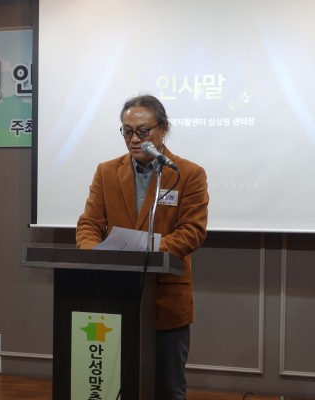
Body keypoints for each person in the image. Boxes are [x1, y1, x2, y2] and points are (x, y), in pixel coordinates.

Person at [76, 94, 209, 400]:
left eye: (143, 131)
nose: (134, 139)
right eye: (127, 131)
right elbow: (89, 224)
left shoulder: (187, 174)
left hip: (165, 301)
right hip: (114, 298)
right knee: (116, 386)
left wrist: (147, 250)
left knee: (167, 390)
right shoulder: (106, 171)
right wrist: (94, 255)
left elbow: (192, 231)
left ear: (163, 129)